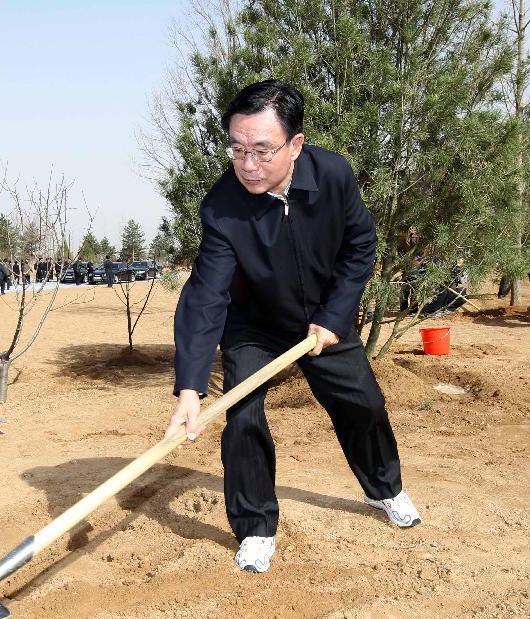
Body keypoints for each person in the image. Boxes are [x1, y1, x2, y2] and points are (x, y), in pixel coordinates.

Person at [168, 80, 420, 575]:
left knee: (363, 403)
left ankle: (385, 488)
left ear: (296, 144)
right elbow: (206, 295)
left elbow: (359, 247)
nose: (248, 164)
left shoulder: (333, 174)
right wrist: (190, 387)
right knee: (242, 418)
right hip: (255, 326)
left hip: (324, 317)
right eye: (237, 149)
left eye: (262, 149)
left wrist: (333, 316)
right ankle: (256, 527)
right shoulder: (223, 206)